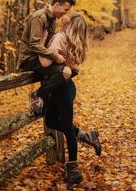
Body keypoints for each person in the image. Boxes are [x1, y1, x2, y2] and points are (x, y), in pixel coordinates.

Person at [38, 14, 101, 185]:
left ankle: (73, 171)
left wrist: (43, 41)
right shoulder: (77, 46)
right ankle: (85, 135)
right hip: (68, 87)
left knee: (66, 128)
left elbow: (44, 62)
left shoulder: (59, 37)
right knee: (51, 120)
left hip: (63, 89)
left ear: (70, 26)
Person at [17, 0, 76, 113]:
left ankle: (54, 104)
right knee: (64, 71)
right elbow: (34, 45)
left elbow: (50, 41)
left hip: (42, 58)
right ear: (56, 4)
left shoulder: (52, 19)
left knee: (73, 70)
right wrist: (54, 55)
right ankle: (37, 94)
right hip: (30, 60)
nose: (65, 13)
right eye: (65, 10)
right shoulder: (40, 17)